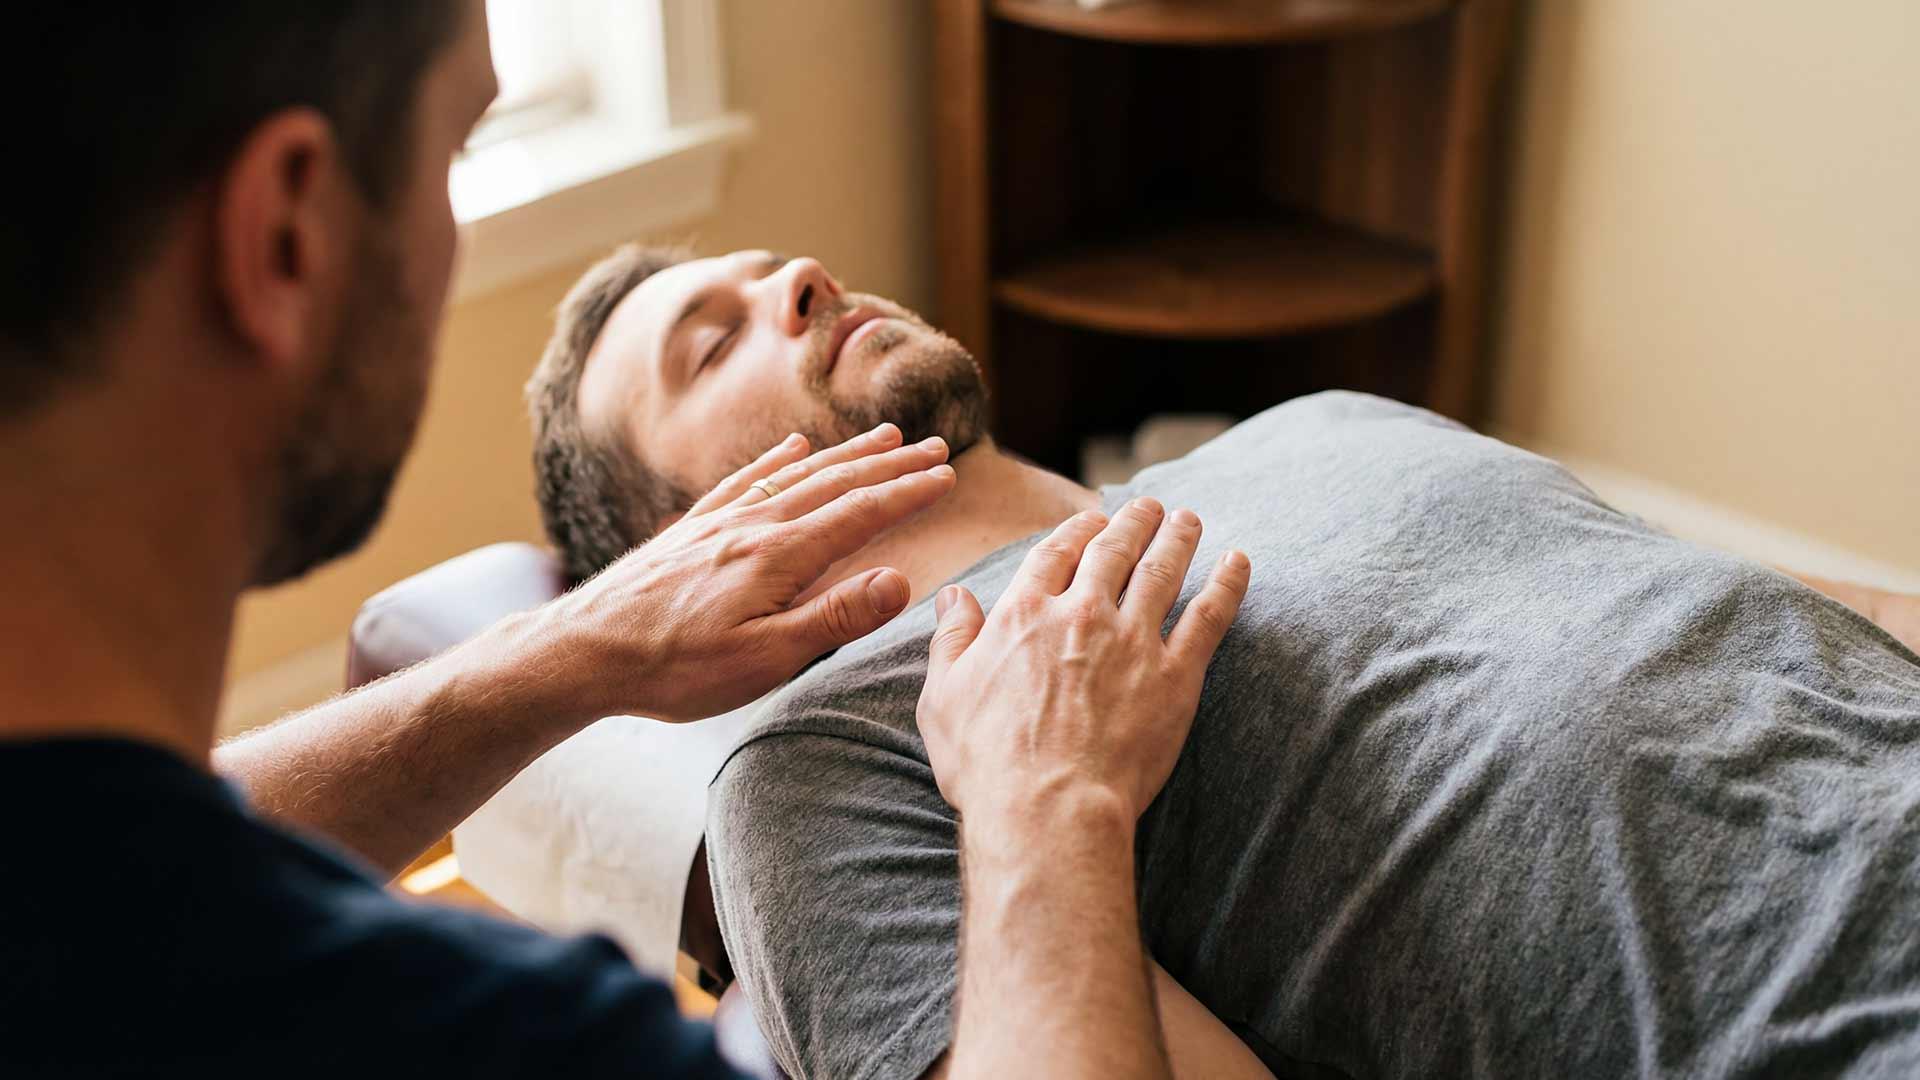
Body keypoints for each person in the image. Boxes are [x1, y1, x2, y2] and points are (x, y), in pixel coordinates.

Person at [0, 6, 1245, 1079]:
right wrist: (1050, 802)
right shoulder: (485, 1035)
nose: (803, 278)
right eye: (456, 152)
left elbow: (101, 866)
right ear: (287, 236)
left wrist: (562, 654)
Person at [523, 243, 1920, 1079]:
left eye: (784, 266)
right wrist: (1051, 804)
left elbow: (1737, 603)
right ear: (687, 541)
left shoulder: (1312, 422)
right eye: (715, 341)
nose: (805, 280)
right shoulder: (833, 768)